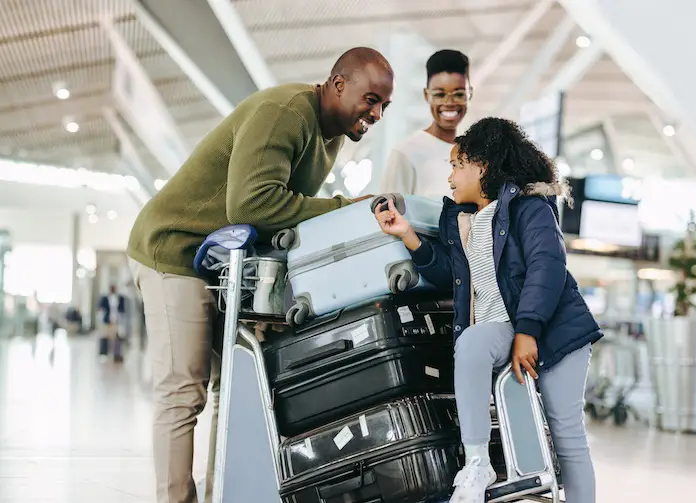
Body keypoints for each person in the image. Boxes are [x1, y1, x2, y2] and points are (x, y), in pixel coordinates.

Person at [126, 47, 394, 503]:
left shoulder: (328, 136)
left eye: (384, 105)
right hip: (174, 249)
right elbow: (251, 205)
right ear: (338, 83)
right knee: (183, 390)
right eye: (371, 99)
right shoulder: (285, 112)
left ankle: (221, 495)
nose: (377, 113)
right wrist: (345, 208)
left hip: (221, 263)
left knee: (231, 390)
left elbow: (277, 216)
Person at [373, 117, 601, 503]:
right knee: (474, 342)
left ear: (481, 166)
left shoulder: (530, 208)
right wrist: (407, 235)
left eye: (456, 166)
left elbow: (548, 266)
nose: (449, 178)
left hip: (556, 332)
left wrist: (528, 331)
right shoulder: (463, 220)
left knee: (566, 432)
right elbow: (450, 273)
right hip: (503, 328)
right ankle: (477, 462)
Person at [380, 49, 472, 200]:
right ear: (426, 95)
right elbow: (388, 216)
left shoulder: (474, 154)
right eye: (439, 94)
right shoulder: (406, 154)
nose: (449, 103)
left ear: (470, 94)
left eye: (459, 94)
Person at [98, 285, 126, 362]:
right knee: (104, 337)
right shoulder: (105, 298)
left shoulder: (120, 298)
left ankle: (116, 355)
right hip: (107, 321)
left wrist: (121, 323)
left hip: (116, 321)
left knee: (116, 339)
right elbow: (101, 310)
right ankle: (104, 354)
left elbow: (122, 310)